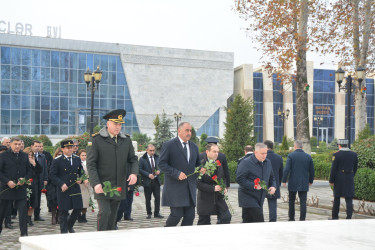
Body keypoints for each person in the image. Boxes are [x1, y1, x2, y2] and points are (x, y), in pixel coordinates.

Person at [87, 109, 138, 231]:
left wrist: (134, 173)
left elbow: (133, 159)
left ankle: (110, 239)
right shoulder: (96, 140)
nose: (118, 127)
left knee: (114, 215)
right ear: (108, 123)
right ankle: (101, 239)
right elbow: (91, 164)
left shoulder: (126, 140)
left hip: (118, 185)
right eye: (115, 124)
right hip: (102, 185)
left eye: (120, 124)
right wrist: (96, 183)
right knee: (105, 212)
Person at [159, 122, 201, 227]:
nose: (189, 133)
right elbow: (161, 164)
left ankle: (184, 237)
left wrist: (201, 170)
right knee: (176, 215)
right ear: (179, 131)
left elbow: (197, 165)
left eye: (190, 130)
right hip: (175, 188)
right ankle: (166, 234)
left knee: (190, 216)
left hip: (189, 188)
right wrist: (176, 173)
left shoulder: (194, 147)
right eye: (187, 130)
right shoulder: (169, 145)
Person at [236, 143, 276, 223]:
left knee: (248, 221)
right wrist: (254, 186)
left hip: (260, 197)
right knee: (259, 220)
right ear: (255, 152)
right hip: (247, 196)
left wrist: (273, 186)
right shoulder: (245, 162)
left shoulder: (268, 162)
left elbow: (272, 177)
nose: (264, 155)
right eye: (262, 153)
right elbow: (239, 179)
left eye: (266, 153)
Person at [49, 140, 83, 234]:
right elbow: (52, 175)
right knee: (63, 211)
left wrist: (81, 179)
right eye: (68, 148)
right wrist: (61, 184)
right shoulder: (57, 160)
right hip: (64, 189)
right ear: (63, 149)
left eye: (71, 147)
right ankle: (63, 232)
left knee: (78, 208)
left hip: (75, 187)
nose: (70, 149)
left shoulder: (77, 159)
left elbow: (81, 172)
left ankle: (69, 225)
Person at [0, 137, 31, 237]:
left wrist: (24, 179)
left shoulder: (25, 156)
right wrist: (7, 181)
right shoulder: (3, 155)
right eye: (15, 144)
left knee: (23, 213)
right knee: (2, 213)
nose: (18, 146)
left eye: (19, 144)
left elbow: (29, 171)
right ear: (11, 145)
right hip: (6, 189)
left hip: (20, 189)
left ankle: (24, 234)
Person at [197, 143, 231, 225]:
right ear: (207, 152)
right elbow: (197, 184)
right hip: (205, 198)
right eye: (214, 151)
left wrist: (224, 186)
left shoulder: (218, 163)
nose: (217, 154)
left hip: (219, 197)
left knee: (226, 217)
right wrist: (213, 188)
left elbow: (223, 177)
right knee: (204, 223)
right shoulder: (200, 164)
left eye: (217, 152)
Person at [282, 140, 315, 221]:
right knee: (303, 201)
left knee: (291, 201)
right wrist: (311, 181)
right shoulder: (308, 156)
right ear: (302, 147)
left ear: (295, 146)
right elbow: (312, 170)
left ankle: (291, 218)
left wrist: (284, 180)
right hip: (304, 181)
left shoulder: (291, 155)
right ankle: (302, 219)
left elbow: (287, 169)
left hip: (293, 181)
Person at [329, 139, 358, 220]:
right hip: (349, 178)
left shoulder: (336, 155)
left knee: (337, 198)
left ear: (339, 145)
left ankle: (335, 217)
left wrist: (331, 180)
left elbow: (333, 169)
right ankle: (349, 217)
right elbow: (355, 168)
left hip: (339, 179)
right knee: (349, 198)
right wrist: (351, 175)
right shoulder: (354, 155)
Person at [139, 144, 163, 219]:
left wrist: (159, 171)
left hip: (156, 181)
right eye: (150, 151)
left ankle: (157, 213)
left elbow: (162, 166)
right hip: (147, 181)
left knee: (158, 198)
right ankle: (149, 213)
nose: (152, 152)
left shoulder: (157, 157)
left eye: (153, 150)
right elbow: (139, 169)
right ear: (147, 150)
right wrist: (148, 174)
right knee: (148, 198)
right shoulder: (142, 159)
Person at [263, 140, 283, 222]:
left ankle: (259, 220)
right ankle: (273, 221)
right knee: (273, 205)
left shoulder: (263, 157)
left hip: (262, 183)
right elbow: (281, 172)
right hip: (274, 184)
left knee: (259, 204)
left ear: (266, 147)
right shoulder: (279, 157)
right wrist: (278, 184)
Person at [23, 147, 43, 226]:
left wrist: (34, 164)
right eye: (28, 155)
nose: (30, 157)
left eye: (31, 155)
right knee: (25, 202)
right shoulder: (22, 162)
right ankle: (24, 218)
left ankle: (29, 217)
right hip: (25, 184)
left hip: (34, 184)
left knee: (33, 202)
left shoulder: (34, 162)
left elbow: (40, 171)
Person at [31, 140, 48, 222]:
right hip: (31, 180)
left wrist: (45, 178)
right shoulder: (28, 155)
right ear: (32, 146)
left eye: (39, 146)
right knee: (31, 197)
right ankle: (28, 215)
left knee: (38, 197)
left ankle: (37, 215)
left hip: (39, 179)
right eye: (36, 146)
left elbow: (45, 168)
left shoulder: (42, 156)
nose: (37, 148)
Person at [46, 148, 63, 225]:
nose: (60, 156)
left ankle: (58, 216)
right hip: (52, 184)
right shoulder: (52, 162)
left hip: (61, 184)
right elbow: (49, 173)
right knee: (53, 201)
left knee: (60, 201)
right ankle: (53, 216)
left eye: (61, 154)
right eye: (58, 154)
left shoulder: (65, 162)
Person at [77, 149, 91, 223]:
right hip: (79, 185)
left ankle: (84, 215)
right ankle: (78, 215)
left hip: (87, 184)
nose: (84, 157)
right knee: (80, 201)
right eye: (82, 155)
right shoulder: (77, 163)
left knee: (86, 201)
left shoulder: (89, 163)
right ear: (79, 156)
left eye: (85, 155)